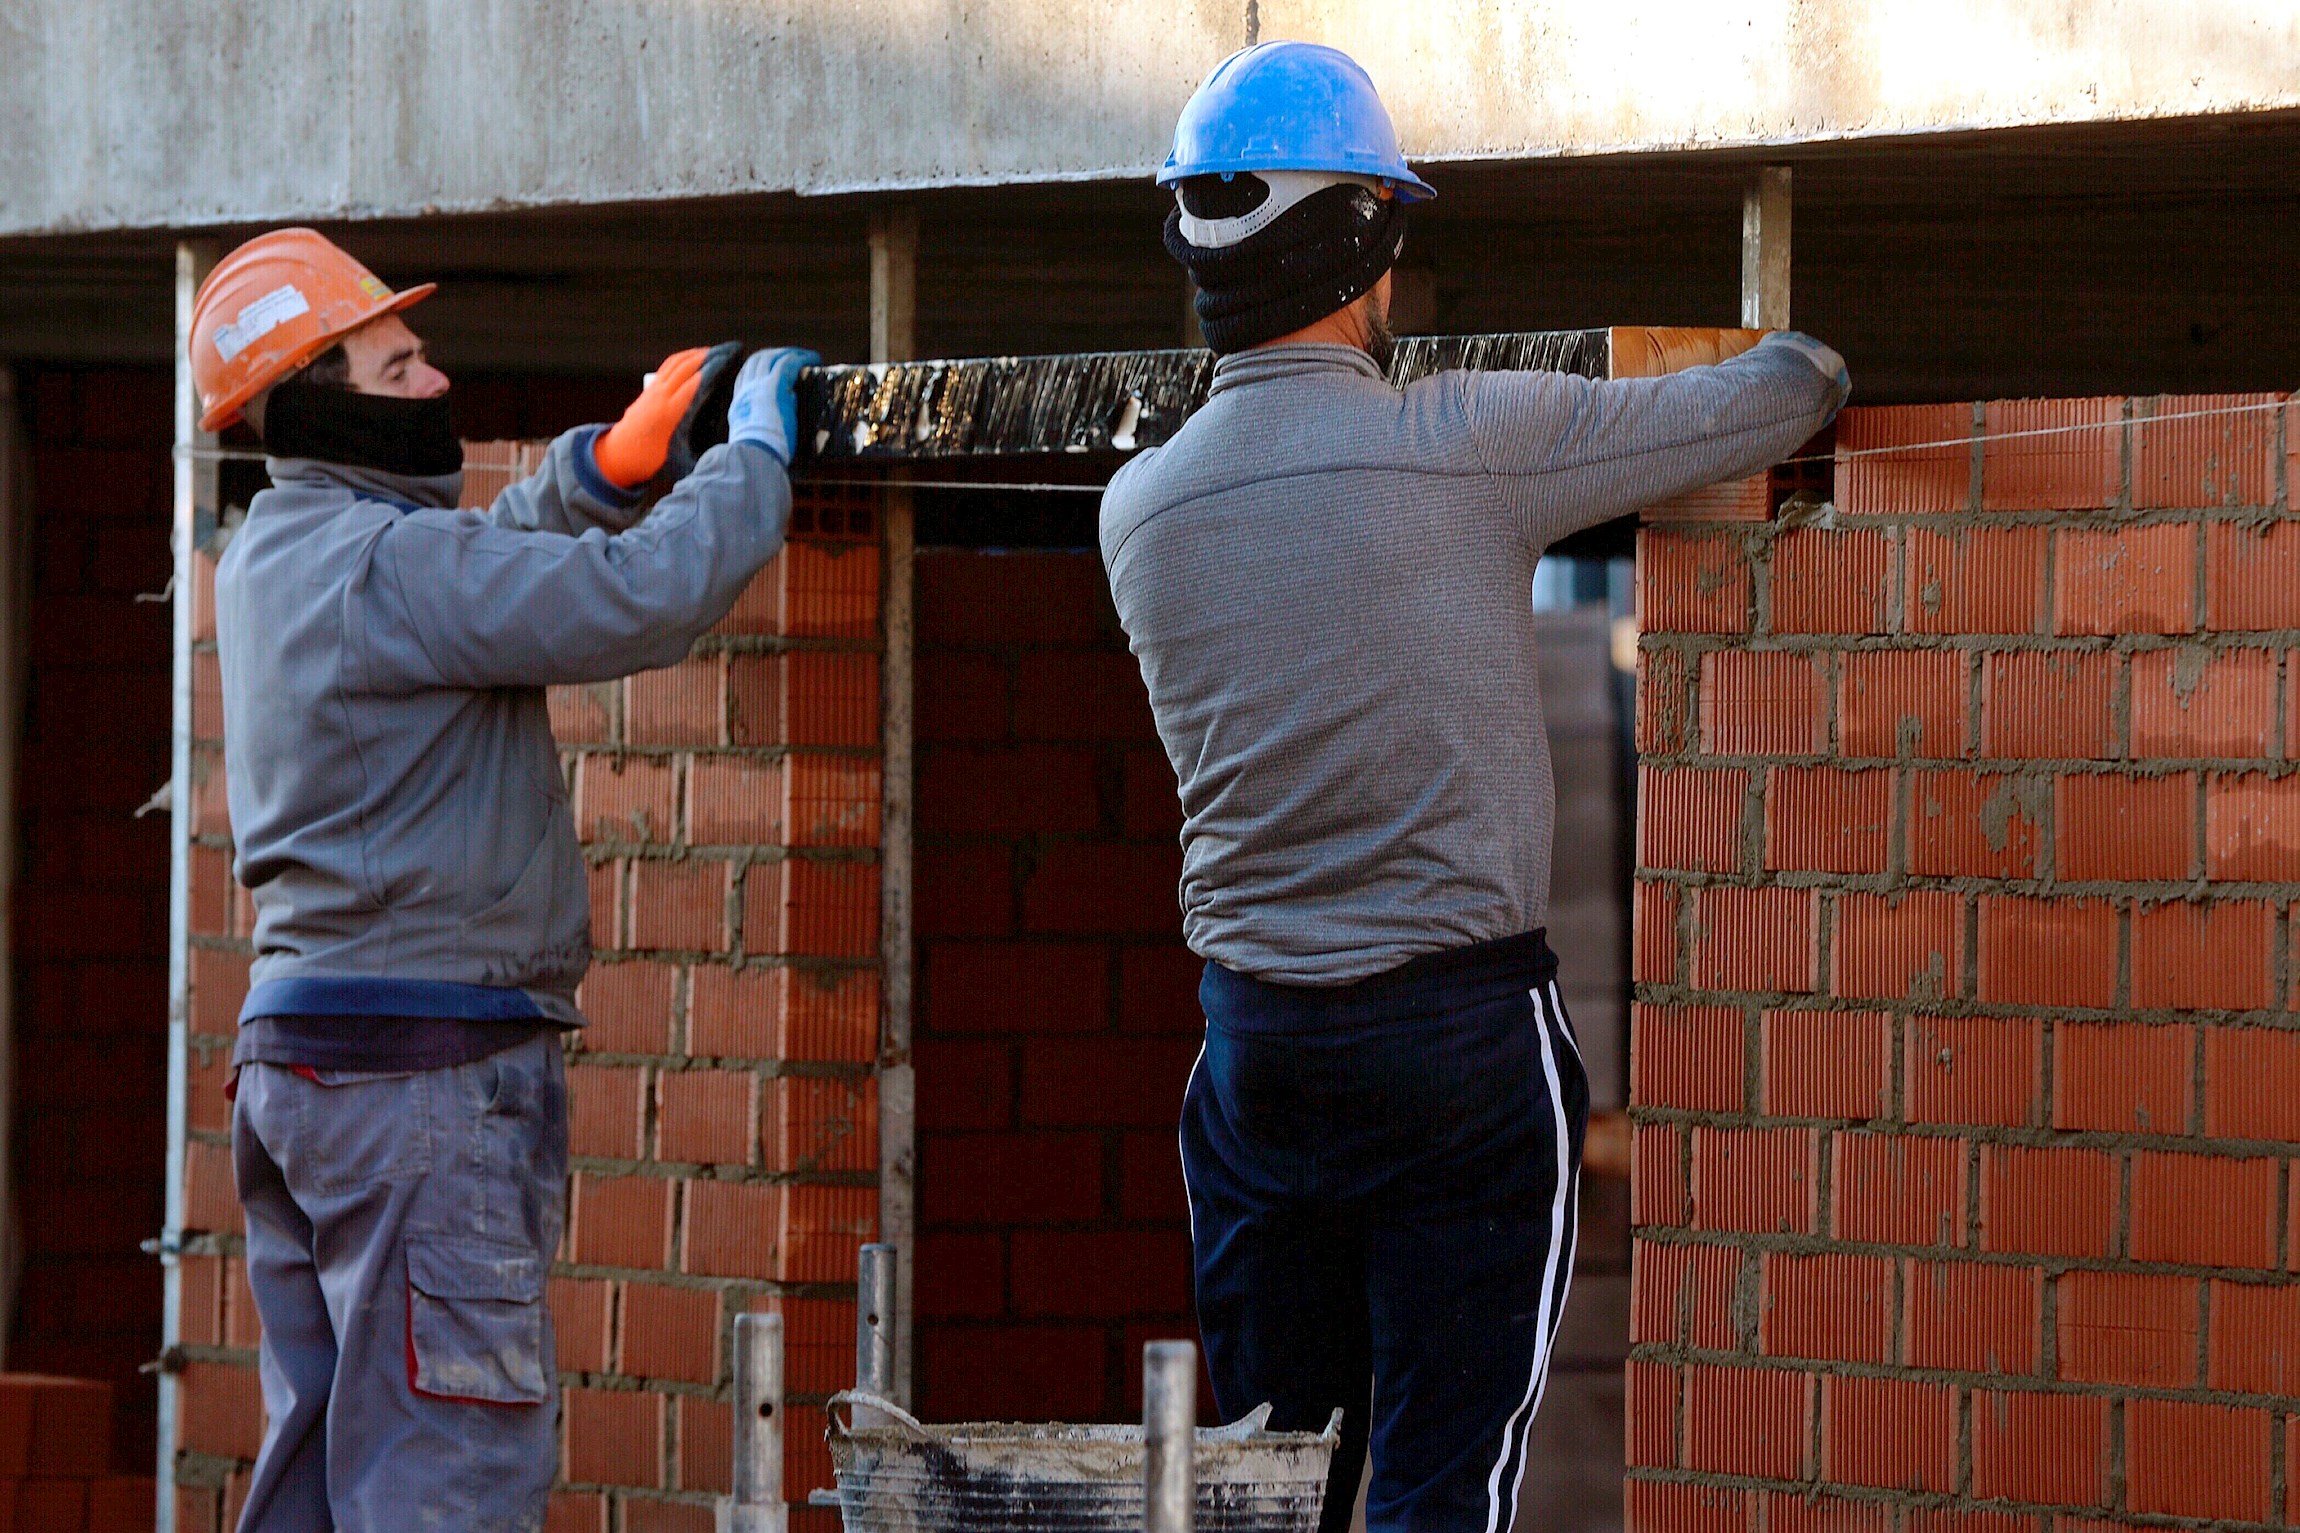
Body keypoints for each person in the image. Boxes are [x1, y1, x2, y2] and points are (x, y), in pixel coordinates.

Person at [1101, 43, 1850, 1533]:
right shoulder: (1466, 444)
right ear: (1367, 237)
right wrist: (1807, 351)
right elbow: (1778, 391)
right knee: (1448, 1488)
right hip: (1457, 1042)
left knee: (1269, 1489)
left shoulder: (1140, 510)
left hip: (1255, 1050)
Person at [189, 227, 816, 1531]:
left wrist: (602, 465)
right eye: (398, 362)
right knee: (445, 1479)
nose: (435, 381)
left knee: (322, 1469)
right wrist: (752, 460)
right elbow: (630, 599)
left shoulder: (281, 552)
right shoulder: (385, 563)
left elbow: (477, 578)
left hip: (308, 1069)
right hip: (423, 1083)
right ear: (317, 397)